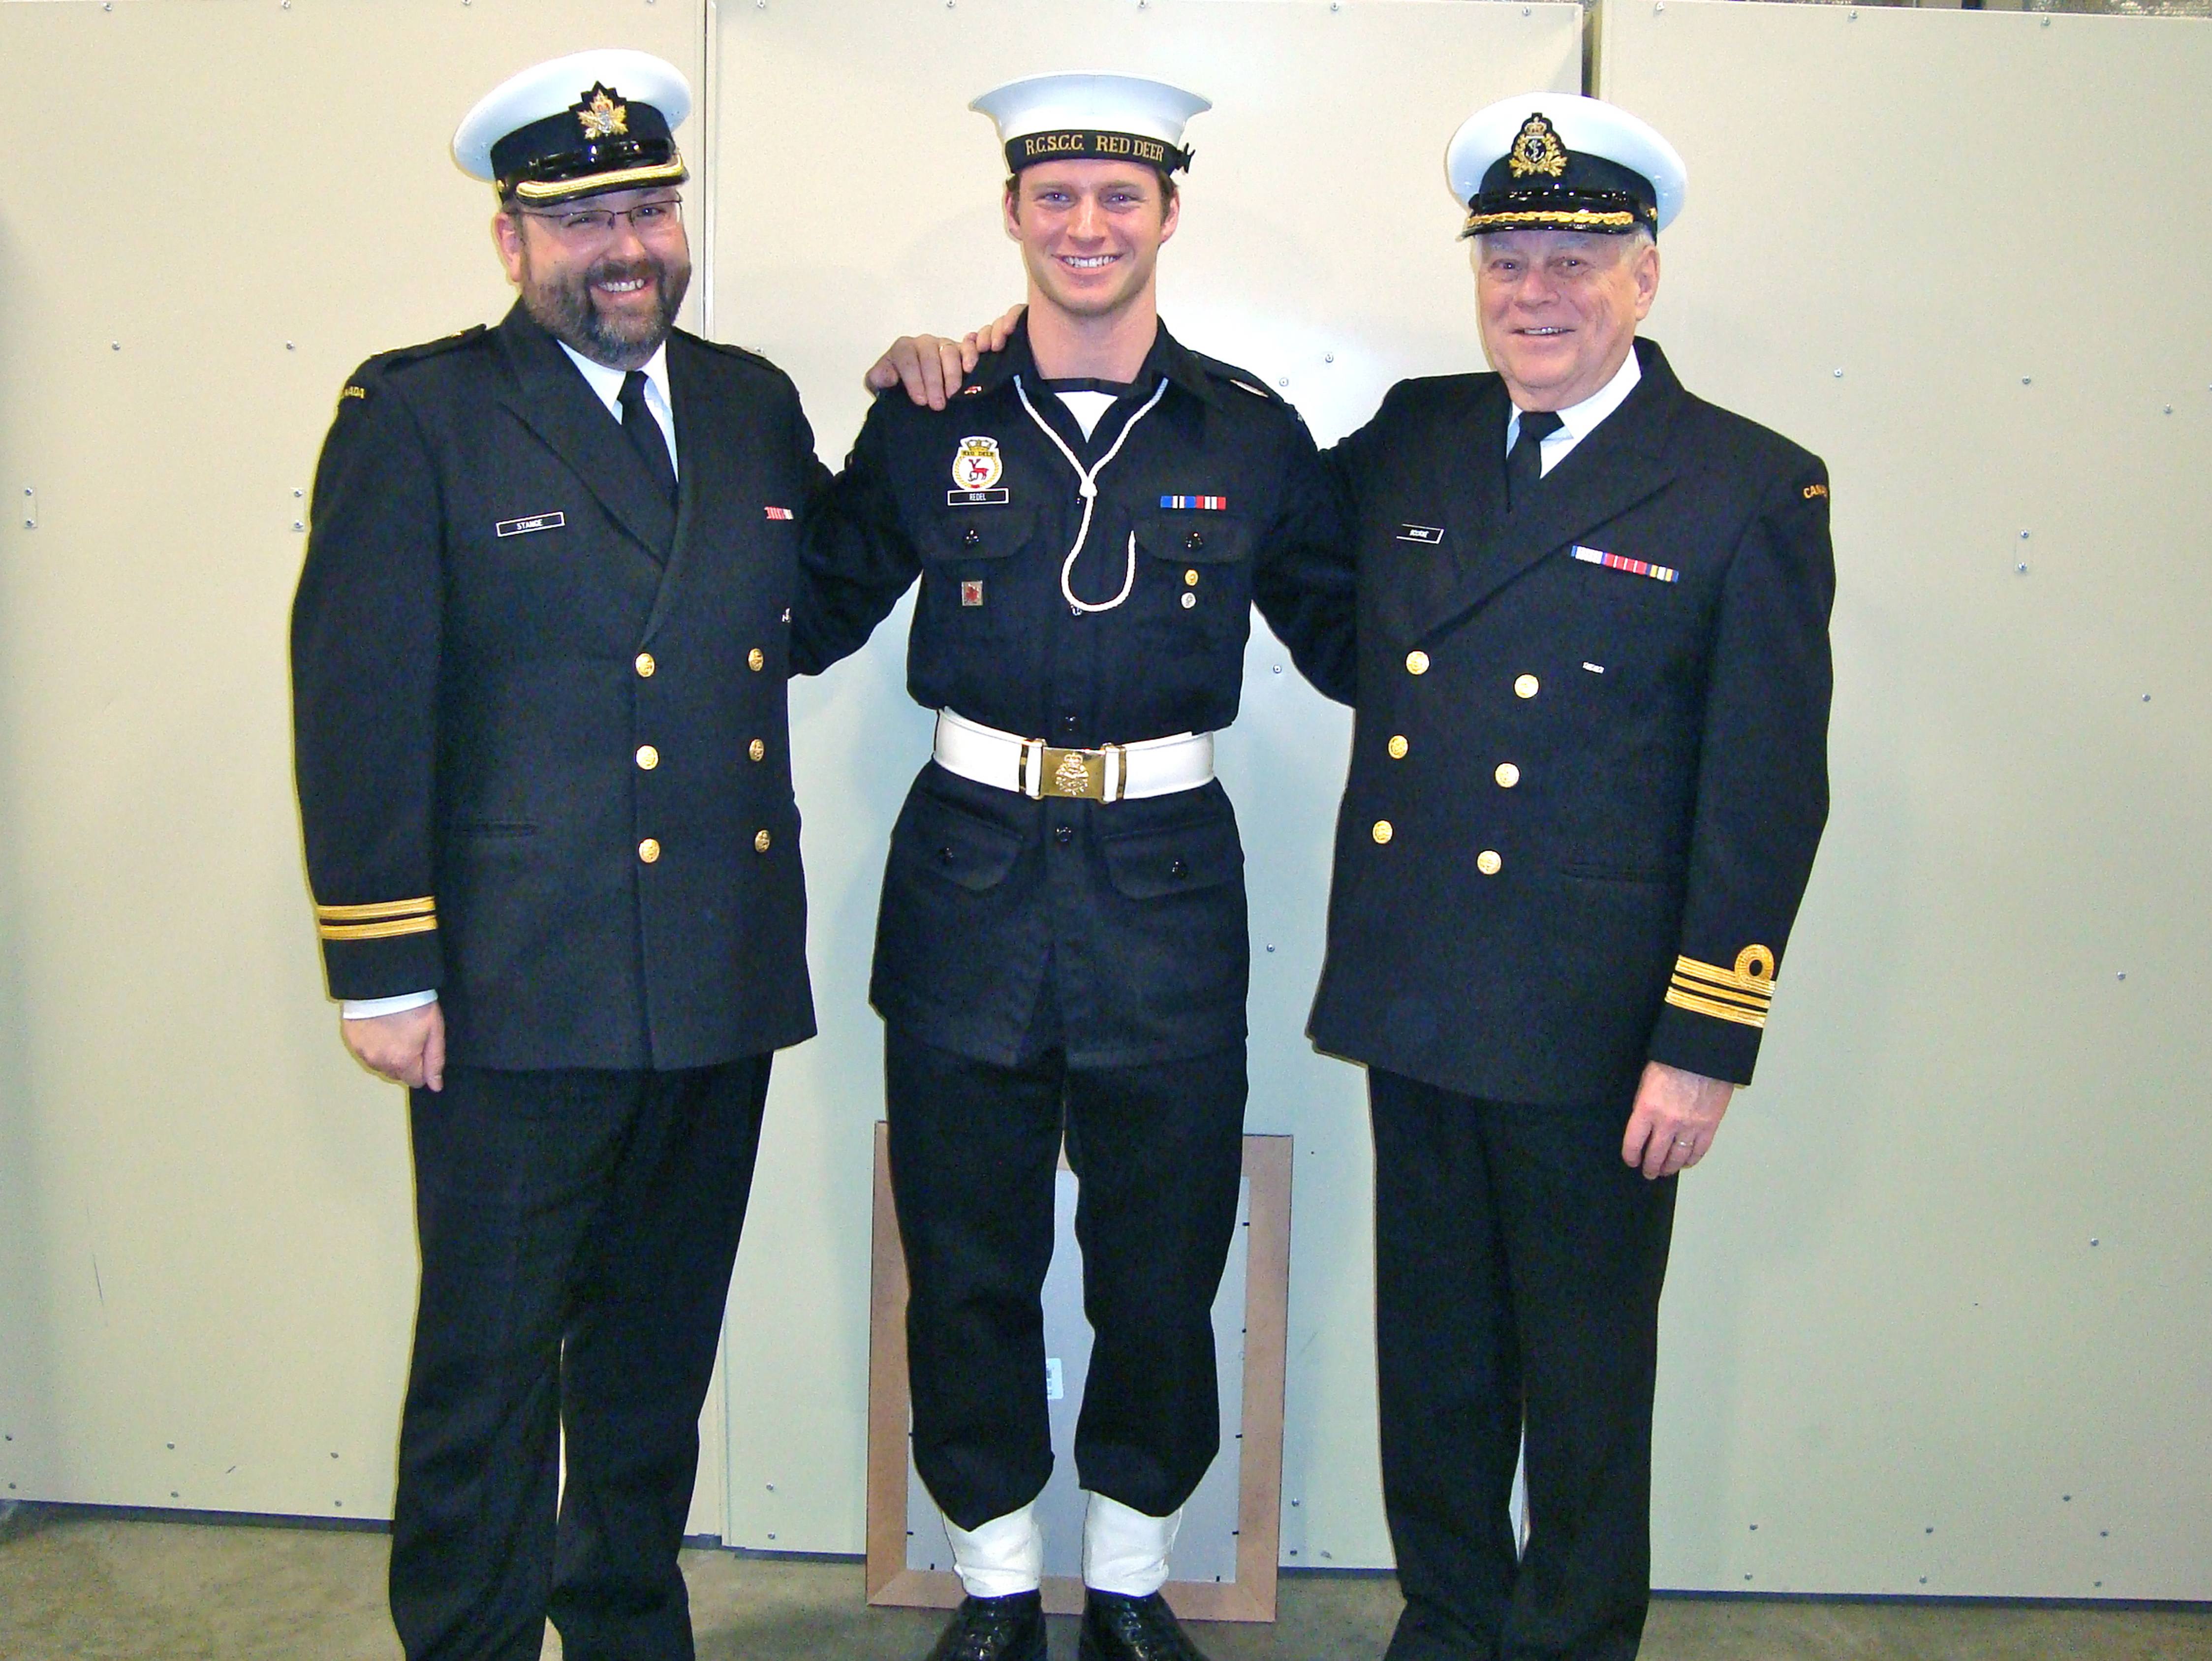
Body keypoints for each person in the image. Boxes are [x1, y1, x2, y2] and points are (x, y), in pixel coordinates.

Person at [797, 72, 1350, 1661]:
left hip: (1166, 885)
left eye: (1120, 196)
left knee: (1158, 1267)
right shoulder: (927, 418)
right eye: (1056, 198)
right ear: (1015, 217)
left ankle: (1122, 1578)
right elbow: (800, 604)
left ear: (1169, 214)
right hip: (968, 880)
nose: (1087, 225)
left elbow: (1366, 639)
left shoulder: (1251, 433)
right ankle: (986, 1587)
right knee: (967, 1262)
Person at [289, 50, 827, 1661]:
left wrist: (958, 394)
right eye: (580, 214)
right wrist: (383, 967)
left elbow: (822, 601)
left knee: (654, 1361)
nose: (625, 245)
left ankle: (624, 1628)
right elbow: (359, 699)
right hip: (518, 988)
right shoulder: (424, 415)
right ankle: (463, 1637)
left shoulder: (749, 403)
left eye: (648, 206)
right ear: (511, 239)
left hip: (713, 979)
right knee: (491, 1368)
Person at [1300, 94, 1836, 1660]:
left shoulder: (1743, 483)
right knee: (1439, 1356)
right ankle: (1448, 1621)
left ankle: (1576, 1636)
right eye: (1508, 260)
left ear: (1645, 277)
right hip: (1416, 986)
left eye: (1575, 262)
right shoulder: (1414, 432)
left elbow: (1764, 790)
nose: (1534, 293)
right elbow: (1281, 542)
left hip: (1599, 1026)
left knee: (1585, 1372)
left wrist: (1704, 1036)